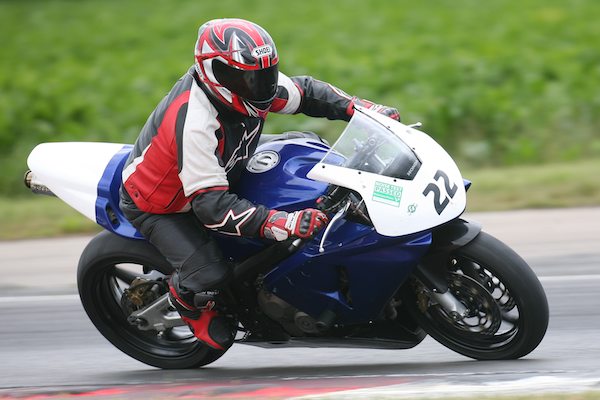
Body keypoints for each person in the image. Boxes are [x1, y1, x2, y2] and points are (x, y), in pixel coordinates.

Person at [119, 18, 400, 351]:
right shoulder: (195, 122)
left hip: (226, 164)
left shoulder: (249, 87)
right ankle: (185, 299)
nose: (260, 86)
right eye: (246, 77)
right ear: (214, 72)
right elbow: (211, 207)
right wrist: (282, 222)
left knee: (305, 148)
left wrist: (361, 109)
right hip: (165, 203)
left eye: (265, 74)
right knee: (211, 274)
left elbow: (307, 92)